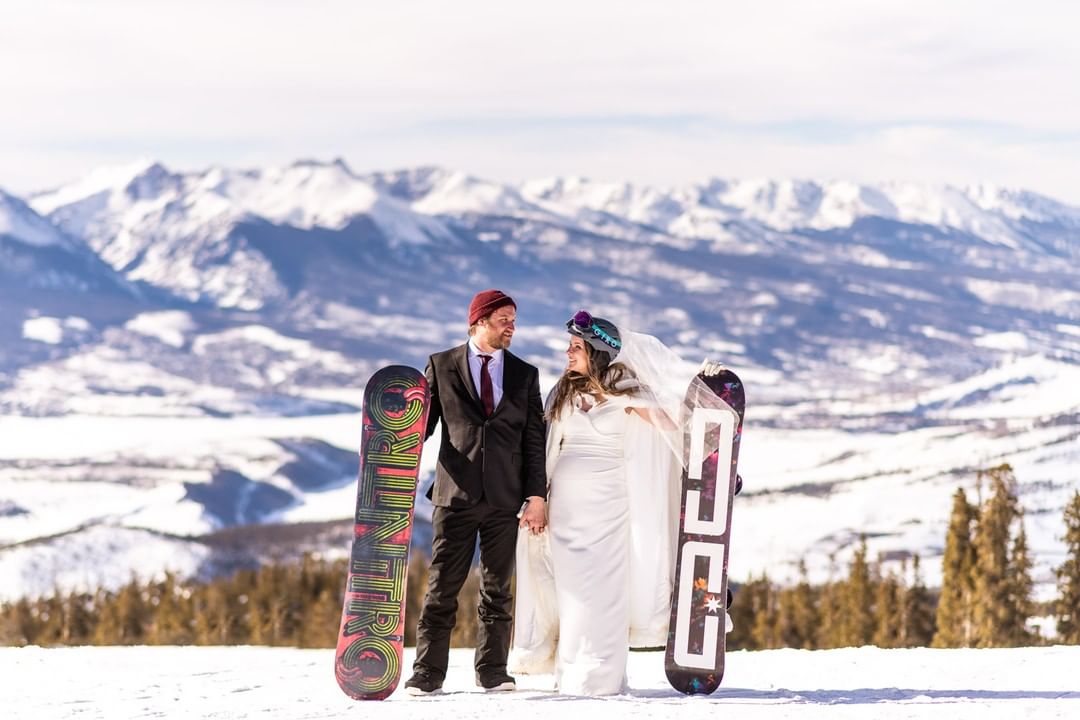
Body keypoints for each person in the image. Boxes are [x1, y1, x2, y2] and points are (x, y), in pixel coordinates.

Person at [510, 310, 729, 696]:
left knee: (604, 592)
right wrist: (538, 498)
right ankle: (570, 673)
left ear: (596, 352)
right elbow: (545, 448)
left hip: (609, 508)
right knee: (570, 594)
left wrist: (706, 394)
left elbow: (674, 425)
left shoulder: (627, 392)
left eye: (576, 347)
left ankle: (599, 677)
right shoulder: (563, 393)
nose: (568, 353)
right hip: (566, 510)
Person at [404, 289, 548, 696]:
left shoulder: (525, 374)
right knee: (442, 588)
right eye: (504, 319)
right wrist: (394, 445)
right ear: (479, 321)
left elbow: (533, 440)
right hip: (455, 496)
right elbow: (423, 426)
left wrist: (536, 496)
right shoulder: (441, 365)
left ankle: (493, 671)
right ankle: (427, 673)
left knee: (497, 590)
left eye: (514, 320)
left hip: (506, 498)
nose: (512, 326)